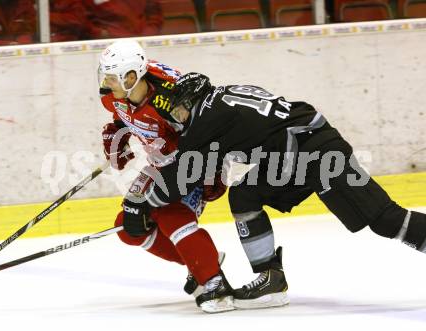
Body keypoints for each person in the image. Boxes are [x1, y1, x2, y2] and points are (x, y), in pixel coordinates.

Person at [124, 72, 426, 310]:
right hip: (299, 152)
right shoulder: (224, 97)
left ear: (191, 100)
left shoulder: (206, 116)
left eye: (178, 111)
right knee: (244, 193)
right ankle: (271, 277)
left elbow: (182, 174)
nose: (178, 120)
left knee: (385, 219)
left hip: (316, 154)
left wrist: (144, 204)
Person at [97, 40, 233, 313]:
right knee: (129, 226)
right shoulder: (114, 95)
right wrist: (117, 135)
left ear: (132, 77)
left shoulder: (172, 100)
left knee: (169, 211)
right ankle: (204, 260)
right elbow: (123, 118)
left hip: (198, 160)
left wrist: (209, 176)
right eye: (106, 75)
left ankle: (215, 284)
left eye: (112, 77)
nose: (106, 83)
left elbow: (205, 138)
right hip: (161, 162)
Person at [85, 0, 162, 39]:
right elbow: (83, 20)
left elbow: (154, 16)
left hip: (143, 42)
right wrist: (100, 33)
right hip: (110, 44)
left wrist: (147, 36)